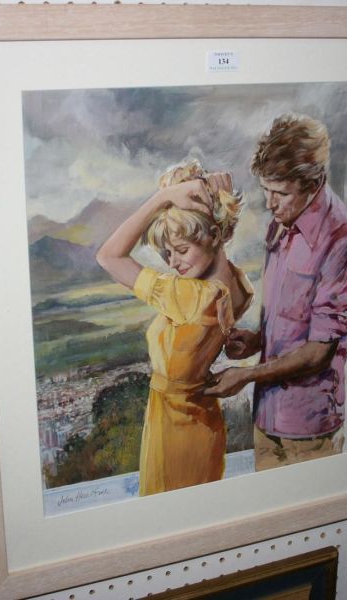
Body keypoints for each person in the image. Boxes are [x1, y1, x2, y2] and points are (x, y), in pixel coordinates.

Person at [204, 113, 347, 471]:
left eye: (280, 193)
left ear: (314, 183)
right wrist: (256, 341)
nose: (270, 204)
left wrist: (245, 375)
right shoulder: (280, 225)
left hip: (310, 428)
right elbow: (293, 319)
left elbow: (319, 352)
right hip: (266, 415)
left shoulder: (341, 237)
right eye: (266, 190)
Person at [97, 160, 254, 496]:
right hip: (205, 424)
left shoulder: (190, 296)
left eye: (181, 250)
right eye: (167, 253)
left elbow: (108, 257)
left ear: (215, 236)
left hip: (172, 429)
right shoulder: (238, 286)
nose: (173, 263)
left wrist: (163, 198)